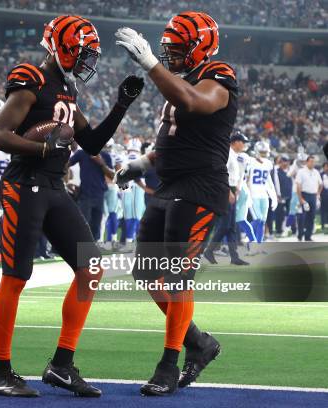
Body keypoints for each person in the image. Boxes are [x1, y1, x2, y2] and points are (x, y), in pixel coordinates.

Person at [0, 15, 143, 397]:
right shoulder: (33, 79)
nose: (87, 60)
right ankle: (0, 371)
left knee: (91, 269)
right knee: (16, 276)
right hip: (25, 186)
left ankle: (61, 364)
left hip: (54, 186)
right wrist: (43, 147)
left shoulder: (65, 89)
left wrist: (121, 106)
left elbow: (90, 144)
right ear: (63, 46)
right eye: (84, 52)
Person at [115, 11, 236, 395]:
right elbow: (173, 140)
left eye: (178, 47)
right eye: (166, 48)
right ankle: (199, 343)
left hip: (200, 188)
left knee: (178, 278)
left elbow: (196, 103)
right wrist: (140, 164)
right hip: (168, 186)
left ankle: (168, 365)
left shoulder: (219, 75)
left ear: (201, 46)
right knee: (147, 275)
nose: (170, 53)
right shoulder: (179, 82)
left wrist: (150, 63)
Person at [204, 132, 248, 265]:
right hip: (225, 190)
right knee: (225, 225)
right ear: (235, 142)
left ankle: (234, 257)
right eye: (242, 142)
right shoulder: (226, 153)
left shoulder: (235, 156)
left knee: (231, 226)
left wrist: (237, 189)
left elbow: (236, 175)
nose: (244, 144)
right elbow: (219, 173)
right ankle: (209, 250)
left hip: (232, 189)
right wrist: (228, 191)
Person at [68, 145, 114, 240]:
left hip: (99, 195)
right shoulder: (81, 153)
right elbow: (65, 165)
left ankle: (93, 248)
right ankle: (80, 248)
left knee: (96, 225)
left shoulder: (105, 155)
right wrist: (67, 182)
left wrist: (101, 164)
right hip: (85, 194)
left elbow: (112, 176)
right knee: (84, 224)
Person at [247, 141, 278, 246]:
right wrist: (247, 195)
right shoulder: (250, 162)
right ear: (256, 151)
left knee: (263, 221)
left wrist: (273, 196)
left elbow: (268, 181)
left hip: (264, 195)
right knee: (258, 219)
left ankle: (258, 245)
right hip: (253, 195)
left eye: (265, 152)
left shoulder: (268, 164)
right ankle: (250, 238)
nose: (264, 154)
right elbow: (246, 179)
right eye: (262, 152)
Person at [295, 155, 322, 241]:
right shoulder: (301, 171)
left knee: (312, 216)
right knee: (303, 216)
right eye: (311, 161)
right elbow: (298, 186)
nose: (312, 163)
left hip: (313, 195)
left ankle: (308, 236)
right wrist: (301, 199)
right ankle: (300, 234)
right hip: (304, 195)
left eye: (314, 162)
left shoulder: (316, 172)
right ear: (307, 162)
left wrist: (318, 195)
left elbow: (320, 184)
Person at [274, 155, 292, 237]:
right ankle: (278, 230)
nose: (286, 163)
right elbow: (276, 184)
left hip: (290, 195)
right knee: (279, 214)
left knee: (289, 213)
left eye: (287, 161)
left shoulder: (290, 171)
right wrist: (278, 195)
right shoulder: (276, 171)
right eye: (284, 161)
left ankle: (288, 228)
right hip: (281, 196)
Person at [320, 162, 328, 231]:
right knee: (323, 211)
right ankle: (323, 226)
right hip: (324, 196)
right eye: (326, 166)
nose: (327, 168)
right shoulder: (320, 175)